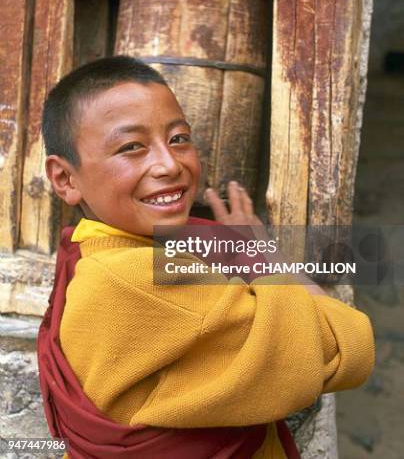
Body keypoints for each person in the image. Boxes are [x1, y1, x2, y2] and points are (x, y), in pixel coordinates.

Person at [39, 55, 374, 458]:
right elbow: (348, 343)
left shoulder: (87, 250)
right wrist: (259, 254)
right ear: (65, 178)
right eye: (131, 147)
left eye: (179, 138)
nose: (169, 164)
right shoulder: (135, 277)